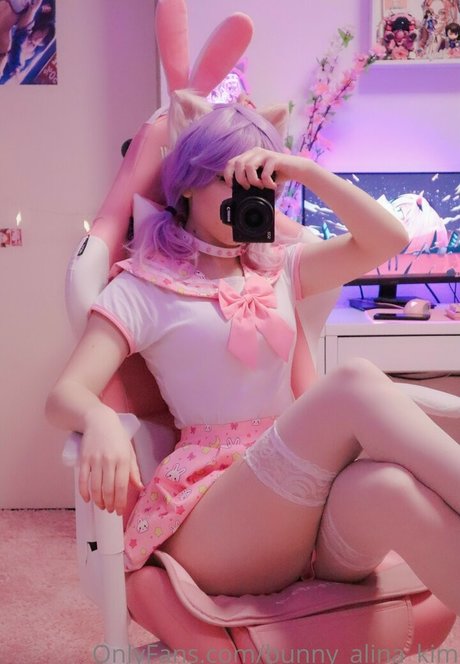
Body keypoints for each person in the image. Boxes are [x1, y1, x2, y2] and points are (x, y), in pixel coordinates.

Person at [46, 92, 460, 615]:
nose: (249, 195)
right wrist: (100, 419)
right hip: (214, 516)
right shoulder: (144, 286)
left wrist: (304, 170)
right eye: (230, 178)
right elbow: (65, 393)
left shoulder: (280, 268)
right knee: (354, 381)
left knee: (388, 486)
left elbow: (390, 239)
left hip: (300, 509)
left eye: (263, 182)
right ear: (189, 181)